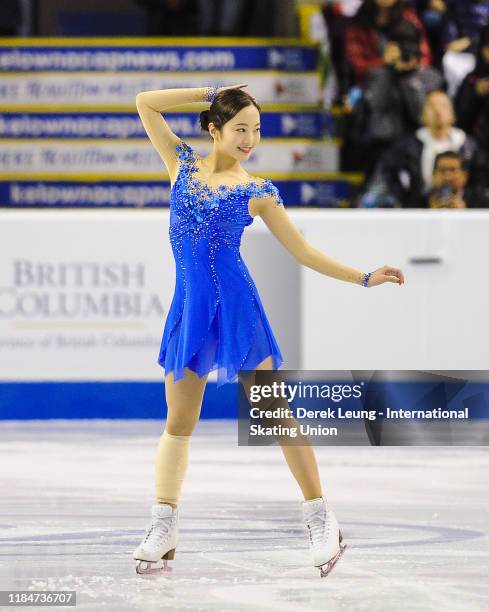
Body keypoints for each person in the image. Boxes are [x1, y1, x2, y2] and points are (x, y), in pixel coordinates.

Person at [132, 84, 405, 576]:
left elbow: (303, 252)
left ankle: (322, 518)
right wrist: (211, 92)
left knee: (272, 412)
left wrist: (364, 277)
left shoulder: (257, 191)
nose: (249, 139)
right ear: (213, 128)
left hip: (237, 308)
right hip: (191, 308)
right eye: (240, 128)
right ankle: (164, 524)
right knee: (179, 421)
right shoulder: (182, 164)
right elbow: (145, 101)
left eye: (256, 130)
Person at [372, 90, 476, 207]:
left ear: (453, 114)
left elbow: (480, 180)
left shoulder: (469, 146)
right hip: (421, 207)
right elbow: (386, 170)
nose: (438, 111)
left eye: (443, 106)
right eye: (432, 106)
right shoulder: (408, 145)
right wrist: (406, 199)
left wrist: (468, 202)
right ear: (422, 115)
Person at [343, 0, 432, 88]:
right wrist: (383, 61)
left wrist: (413, 64)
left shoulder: (409, 17)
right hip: (374, 82)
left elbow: (424, 54)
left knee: (429, 78)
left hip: (409, 76)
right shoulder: (358, 23)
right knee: (381, 77)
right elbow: (355, 65)